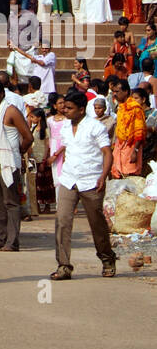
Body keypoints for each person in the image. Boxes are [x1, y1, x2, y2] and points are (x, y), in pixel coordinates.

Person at [51, 89, 116, 280]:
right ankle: (64, 266)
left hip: (91, 180)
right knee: (62, 221)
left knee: (97, 223)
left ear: (81, 109)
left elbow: (107, 152)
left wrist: (103, 176)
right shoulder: (65, 127)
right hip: (69, 179)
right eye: (64, 107)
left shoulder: (95, 127)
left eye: (69, 108)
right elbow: (68, 145)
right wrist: (56, 154)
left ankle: (107, 259)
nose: (66, 111)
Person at [0, 77, 33, 252]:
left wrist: (17, 153)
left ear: (1, 94)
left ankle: (12, 241)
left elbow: (28, 137)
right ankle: (0, 237)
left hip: (8, 163)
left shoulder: (11, 111)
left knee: (11, 203)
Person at [111, 79, 147, 177]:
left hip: (131, 147)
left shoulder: (135, 108)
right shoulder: (121, 108)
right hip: (120, 146)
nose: (114, 94)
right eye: (113, 91)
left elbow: (139, 132)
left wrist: (134, 151)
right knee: (118, 175)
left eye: (117, 92)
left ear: (126, 92)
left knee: (130, 177)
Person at [26, 108, 56, 215]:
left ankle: (47, 205)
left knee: (45, 183)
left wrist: (44, 160)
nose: (31, 119)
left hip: (42, 158)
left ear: (39, 118)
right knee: (36, 183)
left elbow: (47, 146)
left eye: (33, 117)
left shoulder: (46, 130)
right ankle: (37, 205)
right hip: (34, 159)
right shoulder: (33, 129)